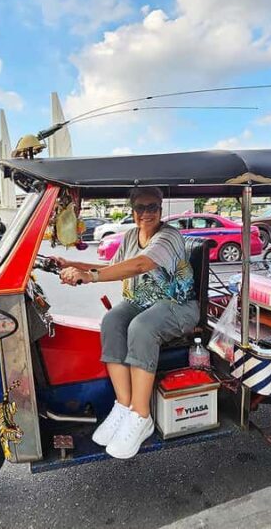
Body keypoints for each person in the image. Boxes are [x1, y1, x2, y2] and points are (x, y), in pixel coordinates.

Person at [54, 186, 198, 459]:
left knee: (141, 327)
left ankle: (141, 415)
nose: (146, 213)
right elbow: (110, 265)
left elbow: (140, 265)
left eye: (152, 207)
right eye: (141, 208)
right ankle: (123, 404)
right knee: (111, 321)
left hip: (177, 305)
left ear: (160, 208)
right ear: (133, 210)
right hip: (141, 302)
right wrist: (67, 262)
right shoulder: (131, 235)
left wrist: (91, 278)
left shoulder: (169, 236)